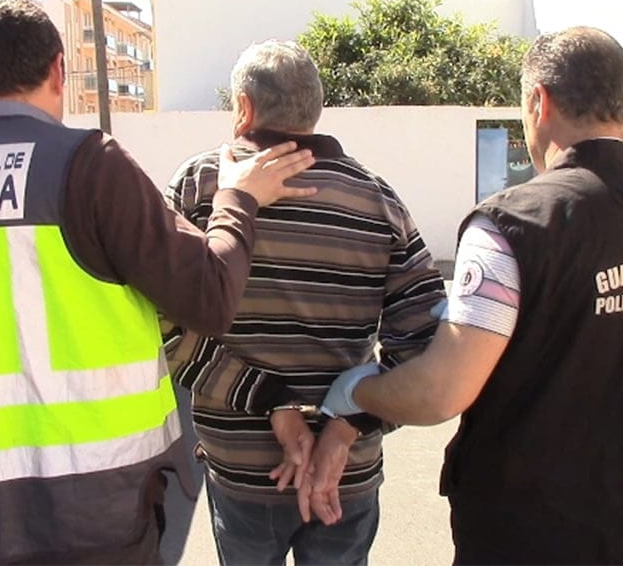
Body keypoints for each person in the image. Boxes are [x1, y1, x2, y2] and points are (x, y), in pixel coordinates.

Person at [0, 0, 315, 565]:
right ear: (60, 69)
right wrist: (237, 198)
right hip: (93, 512)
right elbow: (208, 297)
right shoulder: (85, 167)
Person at [321, 27, 623, 564]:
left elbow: (441, 391)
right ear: (620, 105)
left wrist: (355, 393)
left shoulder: (512, 224)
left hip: (535, 532)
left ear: (538, 102)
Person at [162, 40, 445, 565]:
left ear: (243, 107)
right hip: (347, 472)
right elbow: (426, 343)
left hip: (242, 469)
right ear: (315, 111)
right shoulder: (376, 198)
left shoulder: (200, 188)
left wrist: (271, 401)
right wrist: (346, 427)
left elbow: (163, 328)